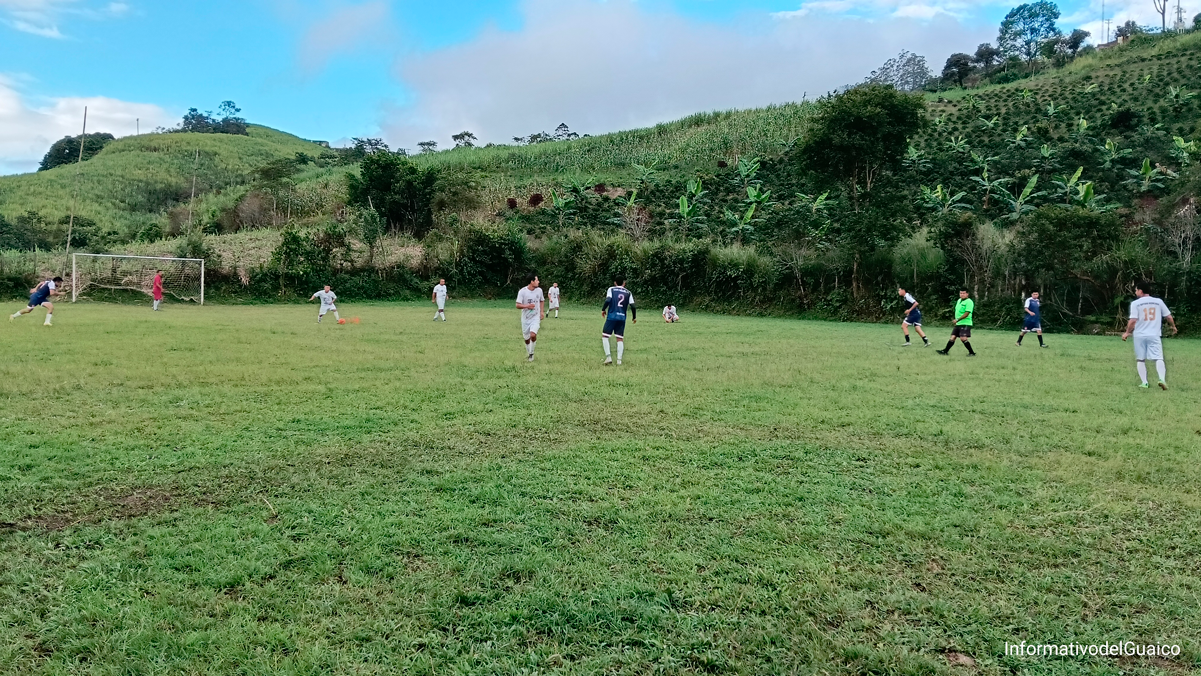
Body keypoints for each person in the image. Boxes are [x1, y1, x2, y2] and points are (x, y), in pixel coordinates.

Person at [1122, 281, 1177, 390]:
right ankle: (1162, 379)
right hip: (1154, 335)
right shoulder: (1158, 302)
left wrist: (1127, 332)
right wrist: (1173, 326)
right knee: (1159, 358)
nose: (1135, 292)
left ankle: (1144, 382)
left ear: (1140, 291)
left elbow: (1133, 320)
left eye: (1136, 290)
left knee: (1140, 359)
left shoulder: (1135, 303)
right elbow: (1169, 317)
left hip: (1139, 335)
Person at [601, 278, 636, 365]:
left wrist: (603, 309)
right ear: (624, 283)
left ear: (615, 282)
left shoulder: (611, 289)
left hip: (612, 316)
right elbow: (633, 306)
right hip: (622, 318)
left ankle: (608, 357)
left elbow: (608, 300)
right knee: (620, 338)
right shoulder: (628, 292)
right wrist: (634, 317)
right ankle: (619, 361)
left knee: (605, 336)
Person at [936, 290, 976, 356]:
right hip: (958, 323)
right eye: (961, 293)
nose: (962, 294)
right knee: (953, 337)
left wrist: (957, 319)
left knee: (963, 338)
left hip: (965, 323)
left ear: (967, 294)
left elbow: (967, 313)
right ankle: (945, 351)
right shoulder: (959, 300)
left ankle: (971, 353)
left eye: (964, 293)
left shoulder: (969, 302)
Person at [516, 274, 545, 362]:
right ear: (532, 282)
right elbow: (517, 305)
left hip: (535, 317)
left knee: (533, 334)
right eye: (537, 280)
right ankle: (529, 352)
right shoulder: (522, 291)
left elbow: (542, 300)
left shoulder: (539, 290)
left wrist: (541, 312)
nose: (538, 282)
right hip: (525, 318)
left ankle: (531, 354)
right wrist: (527, 306)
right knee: (526, 338)